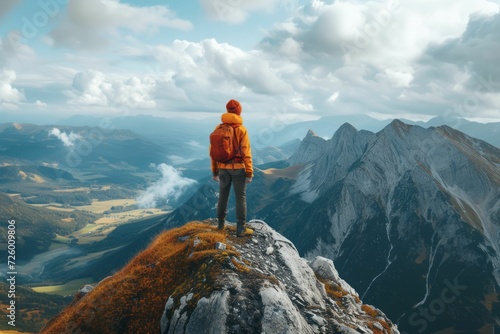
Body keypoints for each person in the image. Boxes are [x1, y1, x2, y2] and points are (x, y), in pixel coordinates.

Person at [211, 99, 254, 237]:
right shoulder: (241, 130)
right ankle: (241, 228)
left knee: (223, 195)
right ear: (239, 111)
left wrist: (215, 170)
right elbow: (246, 153)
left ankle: (220, 225)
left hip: (222, 168)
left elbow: (213, 152)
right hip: (238, 169)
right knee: (240, 197)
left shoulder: (218, 128)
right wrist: (249, 172)